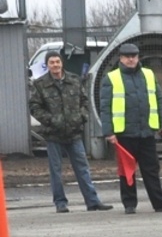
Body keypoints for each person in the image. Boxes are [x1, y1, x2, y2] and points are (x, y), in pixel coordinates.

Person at [98, 43, 162, 214]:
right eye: (127, 57)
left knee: (152, 169)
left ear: (138, 57)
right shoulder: (111, 78)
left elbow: (159, 100)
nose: (131, 59)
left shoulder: (148, 75)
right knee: (126, 171)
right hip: (124, 133)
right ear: (121, 58)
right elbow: (105, 107)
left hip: (146, 132)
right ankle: (129, 204)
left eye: (133, 56)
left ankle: (160, 203)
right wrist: (108, 132)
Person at [28, 51, 113, 213]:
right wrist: (51, 120)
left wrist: (81, 117)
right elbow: (34, 107)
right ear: (47, 65)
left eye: (57, 62)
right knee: (56, 171)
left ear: (62, 63)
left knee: (83, 169)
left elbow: (84, 101)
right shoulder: (40, 85)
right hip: (53, 134)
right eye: (52, 62)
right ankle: (60, 203)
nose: (55, 65)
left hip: (74, 133)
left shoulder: (74, 80)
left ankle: (93, 202)